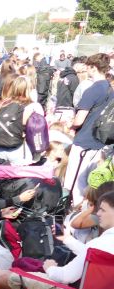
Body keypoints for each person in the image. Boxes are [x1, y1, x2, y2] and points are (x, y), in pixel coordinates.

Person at [65, 53, 112, 205]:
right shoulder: (110, 89)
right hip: (101, 141)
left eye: (88, 66)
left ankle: (71, 212)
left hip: (85, 141)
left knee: (75, 182)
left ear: (93, 68)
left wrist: (71, 125)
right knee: (89, 182)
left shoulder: (92, 89)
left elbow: (79, 120)